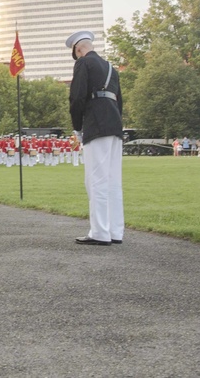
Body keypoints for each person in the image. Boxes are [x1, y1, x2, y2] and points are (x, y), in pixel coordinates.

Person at [67, 30, 124, 246]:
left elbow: (77, 97)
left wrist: (77, 127)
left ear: (78, 49)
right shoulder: (111, 68)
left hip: (96, 123)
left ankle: (100, 232)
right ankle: (115, 230)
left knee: (96, 179)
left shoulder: (84, 64)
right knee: (113, 181)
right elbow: (119, 101)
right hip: (114, 124)